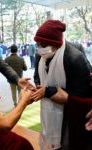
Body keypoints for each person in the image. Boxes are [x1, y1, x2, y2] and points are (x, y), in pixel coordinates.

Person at [31, 19, 92, 150]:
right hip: (48, 110)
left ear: (56, 44)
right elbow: (37, 76)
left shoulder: (75, 58)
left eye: (44, 45)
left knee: (66, 143)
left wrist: (50, 91)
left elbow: (82, 93)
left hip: (69, 114)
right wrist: (37, 87)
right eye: (38, 44)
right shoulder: (40, 56)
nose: (40, 49)